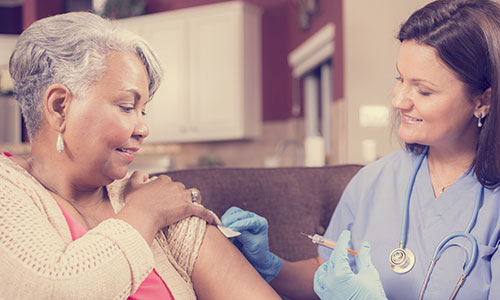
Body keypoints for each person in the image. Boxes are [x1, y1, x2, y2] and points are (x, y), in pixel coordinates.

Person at [222, 0, 500, 299]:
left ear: (483, 100)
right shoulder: (374, 180)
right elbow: (327, 270)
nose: (399, 101)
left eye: (423, 90)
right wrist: (270, 266)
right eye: (400, 79)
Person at [0, 12, 281, 300]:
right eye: (126, 106)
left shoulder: (158, 202)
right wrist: (146, 213)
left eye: (142, 110)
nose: (144, 128)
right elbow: (54, 292)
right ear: (60, 107)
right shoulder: (8, 191)